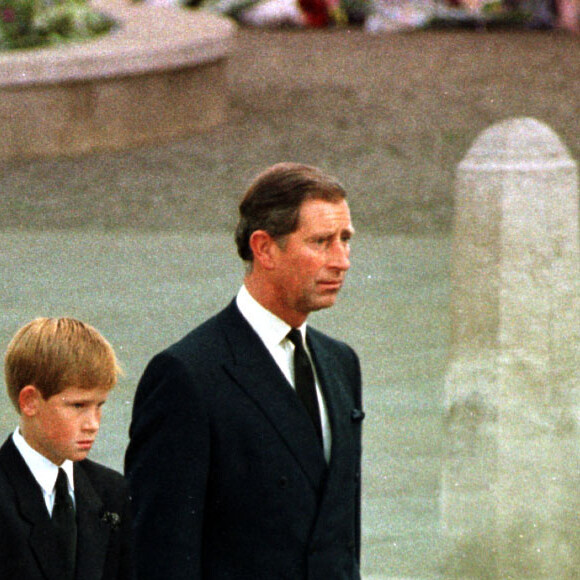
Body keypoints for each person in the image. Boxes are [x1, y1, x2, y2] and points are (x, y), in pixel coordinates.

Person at [125, 162, 364, 580]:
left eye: (345, 240)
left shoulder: (341, 364)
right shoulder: (187, 375)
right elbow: (160, 556)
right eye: (322, 242)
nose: (341, 260)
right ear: (264, 248)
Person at [0, 317, 134, 580]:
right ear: (29, 401)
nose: (93, 424)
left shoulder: (112, 491)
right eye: (77, 406)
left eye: (99, 405)